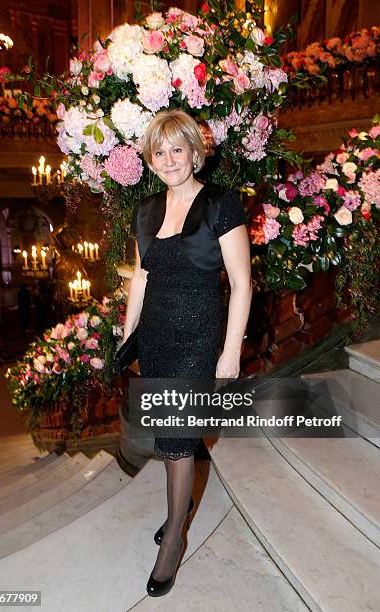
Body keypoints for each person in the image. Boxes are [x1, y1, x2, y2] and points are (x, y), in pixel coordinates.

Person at [121, 109, 252, 597]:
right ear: (150, 159)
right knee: (169, 434)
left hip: (198, 337)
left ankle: (174, 538)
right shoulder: (146, 210)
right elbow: (142, 277)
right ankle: (181, 508)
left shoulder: (220, 205)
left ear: (195, 153)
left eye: (178, 149)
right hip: (155, 337)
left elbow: (241, 285)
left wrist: (229, 355)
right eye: (159, 151)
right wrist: (126, 334)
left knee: (177, 439)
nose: (169, 159)